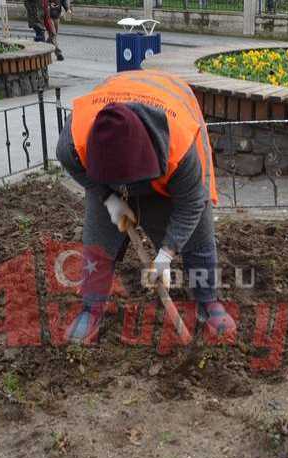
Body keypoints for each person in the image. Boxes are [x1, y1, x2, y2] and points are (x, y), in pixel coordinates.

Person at [56, 70, 237, 345]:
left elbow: (191, 205)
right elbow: (76, 168)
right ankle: (91, 307)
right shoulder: (74, 138)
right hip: (107, 177)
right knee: (98, 239)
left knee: (199, 236)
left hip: (167, 154)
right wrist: (109, 196)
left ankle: (207, 300)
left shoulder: (182, 146)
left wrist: (166, 253)